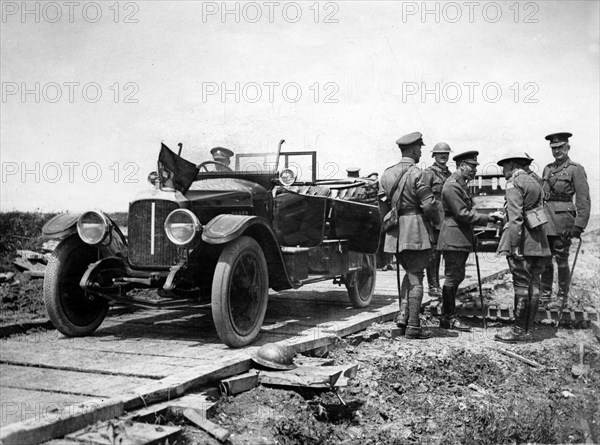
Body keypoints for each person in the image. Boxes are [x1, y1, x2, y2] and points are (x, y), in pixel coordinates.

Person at [381, 131, 440, 339]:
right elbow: (429, 205)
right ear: (414, 149)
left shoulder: (387, 174)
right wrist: (437, 223)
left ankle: (403, 316)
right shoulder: (418, 174)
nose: (421, 152)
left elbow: (382, 206)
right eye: (420, 149)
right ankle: (414, 326)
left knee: (409, 273)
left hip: (395, 233)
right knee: (417, 278)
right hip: (415, 229)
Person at [437, 150, 503, 332]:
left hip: (459, 237)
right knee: (452, 277)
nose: (474, 170)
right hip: (453, 237)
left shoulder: (461, 184)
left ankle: (448, 315)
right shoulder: (452, 186)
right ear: (461, 166)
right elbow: (462, 213)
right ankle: (448, 318)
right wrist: (488, 217)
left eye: (475, 167)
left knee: (456, 276)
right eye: (472, 167)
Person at [494, 152, 551, 343]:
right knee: (534, 284)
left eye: (504, 166)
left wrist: (514, 246)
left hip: (524, 241)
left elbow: (516, 218)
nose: (503, 171)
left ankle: (518, 331)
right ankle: (528, 329)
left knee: (521, 284)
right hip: (538, 240)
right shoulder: (534, 181)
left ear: (511, 164)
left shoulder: (513, 182)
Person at [540, 132, 591, 310]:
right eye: (554, 148)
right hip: (546, 222)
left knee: (561, 260)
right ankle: (545, 296)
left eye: (560, 147)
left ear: (568, 147)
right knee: (545, 260)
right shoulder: (547, 169)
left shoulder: (575, 169)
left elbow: (583, 199)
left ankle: (561, 297)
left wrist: (579, 225)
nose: (557, 151)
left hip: (564, 222)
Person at [422, 142, 453, 298]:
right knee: (433, 254)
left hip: (448, 220)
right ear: (433, 155)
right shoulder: (429, 173)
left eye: (446, 154)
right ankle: (433, 286)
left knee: (445, 252)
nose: (443, 156)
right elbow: (425, 198)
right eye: (440, 153)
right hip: (434, 220)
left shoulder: (450, 175)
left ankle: (444, 285)